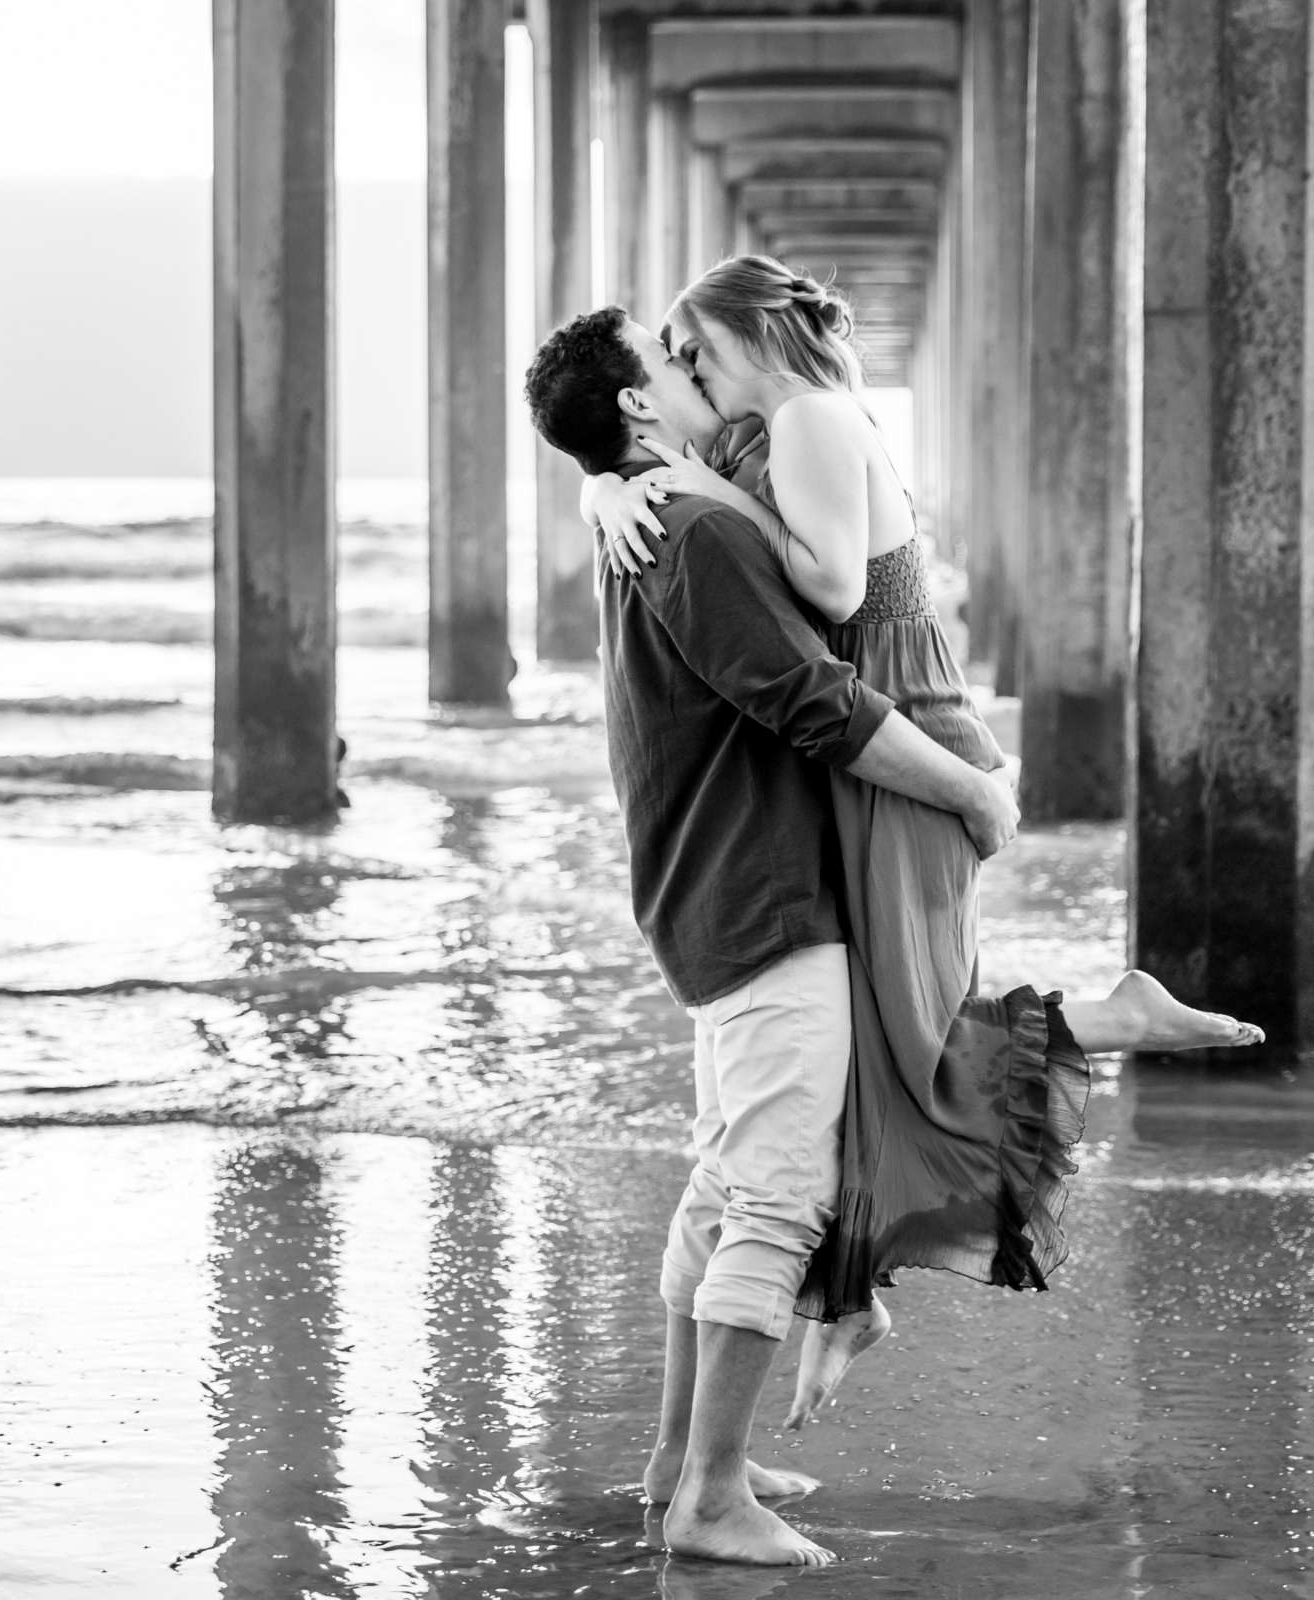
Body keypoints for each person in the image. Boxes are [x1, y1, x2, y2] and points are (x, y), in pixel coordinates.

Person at [580, 256, 1263, 1431]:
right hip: (880, 734)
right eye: (671, 361)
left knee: (913, 1037)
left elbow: (832, 590)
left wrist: (686, 484)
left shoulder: (806, 417)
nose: (688, 370)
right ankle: (858, 1280)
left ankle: (1094, 1039)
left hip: (905, 728)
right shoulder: (764, 433)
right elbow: (657, 481)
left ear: (749, 338)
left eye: (696, 348)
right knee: (896, 1039)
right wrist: (609, 487)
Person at [524, 304, 1026, 1568]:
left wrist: (605, 489)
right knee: (778, 1199)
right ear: (638, 405)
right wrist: (966, 790)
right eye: (670, 359)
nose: (694, 370)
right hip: (763, 898)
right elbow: (814, 701)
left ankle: (682, 1465)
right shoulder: (686, 527)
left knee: (720, 1187)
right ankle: (709, 1497)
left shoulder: (658, 509)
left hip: (714, 892)